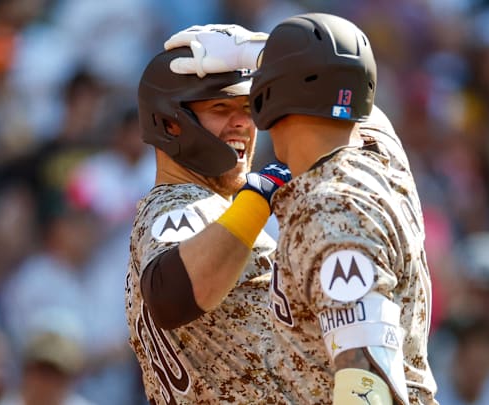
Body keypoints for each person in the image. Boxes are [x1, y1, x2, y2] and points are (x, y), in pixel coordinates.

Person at [166, 14, 438, 404]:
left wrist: (268, 54)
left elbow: (366, 380)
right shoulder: (383, 156)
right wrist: (264, 53)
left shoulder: (329, 206)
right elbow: (352, 93)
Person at [124, 37, 292, 404]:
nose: (243, 123)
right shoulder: (179, 204)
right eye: (221, 107)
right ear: (171, 124)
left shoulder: (209, 208)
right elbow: (172, 293)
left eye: (249, 108)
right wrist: (260, 195)